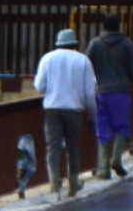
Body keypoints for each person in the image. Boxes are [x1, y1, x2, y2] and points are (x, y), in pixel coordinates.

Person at [33, 26, 96, 200]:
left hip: (52, 109)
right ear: (75, 44)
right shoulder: (83, 61)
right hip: (74, 110)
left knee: (53, 147)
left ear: (58, 44)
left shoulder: (47, 59)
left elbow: (39, 86)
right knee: (73, 147)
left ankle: (54, 184)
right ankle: (73, 183)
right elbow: (90, 92)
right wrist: (92, 113)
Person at [85, 14, 133, 180]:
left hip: (101, 92)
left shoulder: (95, 43)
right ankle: (117, 159)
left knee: (103, 129)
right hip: (121, 91)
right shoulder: (127, 44)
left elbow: (87, 64)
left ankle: (104, 169)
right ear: (119, 26)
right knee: (122, 127)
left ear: (103, 26)